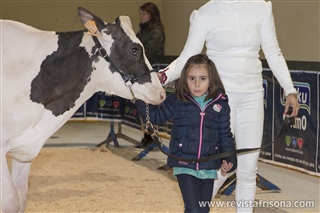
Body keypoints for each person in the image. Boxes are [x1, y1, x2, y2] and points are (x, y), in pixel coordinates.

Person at [157, 1, 300, 212]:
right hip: (219, 100)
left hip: (252, 97)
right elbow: (187, 58)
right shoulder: (205, 14)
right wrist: (160, 77)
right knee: (219, 168)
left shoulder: (261, 8)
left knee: (248, 170)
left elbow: (274, 52)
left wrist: (290, 89)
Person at [136, 54, 237, 213]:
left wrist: (229, 159)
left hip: (209, 166)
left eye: (202, 79)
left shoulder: (220, 104)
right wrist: (140, 98)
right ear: (185, 80)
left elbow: (225, 135)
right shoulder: (177, 99)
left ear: (211, 79)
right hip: (184, 164)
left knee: (202, 211)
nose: (197, 84)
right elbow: (155, 117)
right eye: (192, 79)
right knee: (193, 209)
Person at [135, 2, 166, 148]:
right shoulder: (141, 32)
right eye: (140, 13)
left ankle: (152, 136)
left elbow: (148, 53)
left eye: (144, 13)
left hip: (153, 73)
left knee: (150, 106)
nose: (141, 16)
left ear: (151, 15)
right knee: (143, 105)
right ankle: (147, 135)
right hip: (142, 73)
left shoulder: (157, 32)